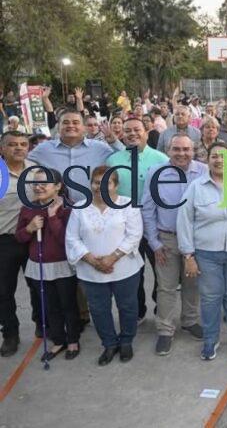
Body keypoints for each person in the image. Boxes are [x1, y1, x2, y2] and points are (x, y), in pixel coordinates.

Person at [177, 143, 227, 360]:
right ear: (207, 160)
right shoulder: (196, 187)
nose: (219, 160)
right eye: (214, 156)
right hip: (206, 253)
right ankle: (211, 340)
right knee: (210, 298)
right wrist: (188, 255)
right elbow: (184, 221)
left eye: (224, 156)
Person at [65, 167, 143, 366]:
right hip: (91, 271)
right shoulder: (80, 208)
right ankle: (109, 344)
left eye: (106, 182)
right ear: (91, 184)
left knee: (127, 307)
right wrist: (91, 260)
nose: (100, 187)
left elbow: (134, 235)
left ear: (115, 185)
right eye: (96, 182)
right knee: (99, 309)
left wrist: (112, 258)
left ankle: (126, 341)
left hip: (125, 268)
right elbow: (72, 238)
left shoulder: (127, 205)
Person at [142, 133, 207, 355]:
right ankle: (165, 330)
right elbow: (148, 209)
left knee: (192, 283)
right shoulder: (155, 172)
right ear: (168, 150)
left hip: (196, 238)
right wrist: (154, 242)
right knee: (166, 286)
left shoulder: (203, 171)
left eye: (186, 149)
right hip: (166, 238)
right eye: (176, 149)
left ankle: (190, 320)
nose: (181, 153)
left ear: (193, 150)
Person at [107, 117, 169, 323]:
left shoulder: (161, 159)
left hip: (155, 225)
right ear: (122, 134)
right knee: (133, 272)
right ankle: (138, 310)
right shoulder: (114, 160)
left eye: (137, 130)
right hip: (125, 226)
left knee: (162, 270)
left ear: (146, 131)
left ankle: (161, 306)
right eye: (127, 131)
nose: (132, 134)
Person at [15, 169, 80, 360]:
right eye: (35, 183)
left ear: (58, 186)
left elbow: (66, 240)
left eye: (44, 183)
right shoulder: (28, 208)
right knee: (50, 306)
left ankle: (73, 340)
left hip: (62, 265)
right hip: (39, 266)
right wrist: (30, 228)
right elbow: (19, 237)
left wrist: (52, 217)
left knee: (68, 304)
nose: (38, 187)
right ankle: (58, 340)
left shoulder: (69, 208)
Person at [0, 132, 43, 356]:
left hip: (32, 238)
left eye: (23, 144)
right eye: (12, 145)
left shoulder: (35, 169)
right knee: (4, 291)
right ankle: (10, 333)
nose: (18, 148)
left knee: (37, 285)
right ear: (2, 149)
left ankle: (41, 324)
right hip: (4, 241)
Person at [29, 108, 124, 204]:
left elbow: (127, 159)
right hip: (56, 212)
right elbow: (22, 163)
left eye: (75, 122)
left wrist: (114, 142)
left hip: (91, 210)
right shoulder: (43, 149)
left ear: (83, 127)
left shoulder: (99, 148)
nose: (71, 125)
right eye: (65, 122)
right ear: (58, 127)